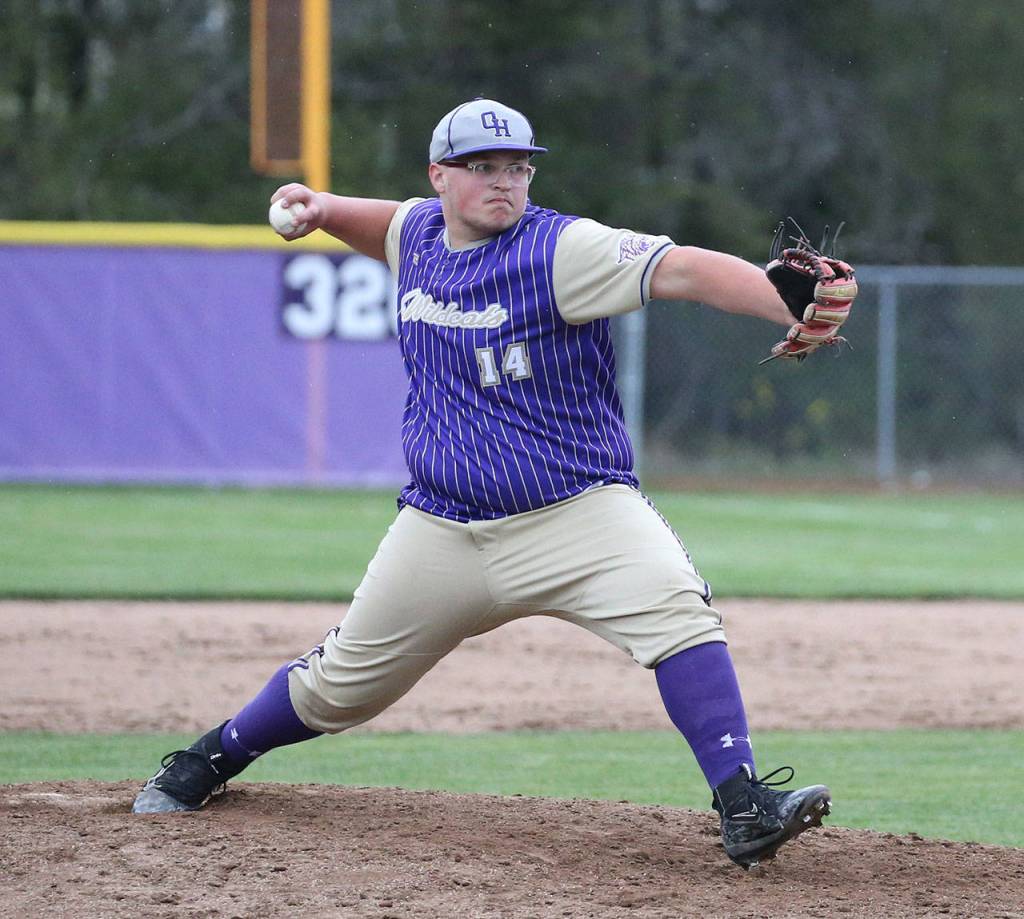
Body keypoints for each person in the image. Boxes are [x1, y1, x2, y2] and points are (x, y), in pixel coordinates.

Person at [132, 98, 846, 870]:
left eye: (517, 167)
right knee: (341, 687)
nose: (504, 181)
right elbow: (382, 221)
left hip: (577, 512)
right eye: (482, 167)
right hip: (443, 528)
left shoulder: (562, 249)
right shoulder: (418, 235)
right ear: (440, 176)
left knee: (680, 614)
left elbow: (679, 268)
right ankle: (210, 757)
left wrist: (780, 301)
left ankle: (743, 804)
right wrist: (320, 207)